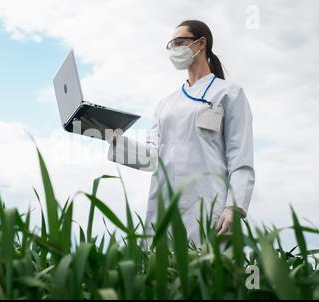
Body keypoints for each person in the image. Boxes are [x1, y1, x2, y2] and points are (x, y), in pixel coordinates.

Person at [81, 20, 255, 247]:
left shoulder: (229, 93)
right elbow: (152, 158)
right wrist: (110, 136)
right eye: (170, 45)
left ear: (201, 43)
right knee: (164, 275)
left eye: (179, 42)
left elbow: (240, 157)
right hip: (166, 204)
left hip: (211, 203)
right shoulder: (166, 104)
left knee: (210, 276)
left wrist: (233, 207)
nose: (174, 49)